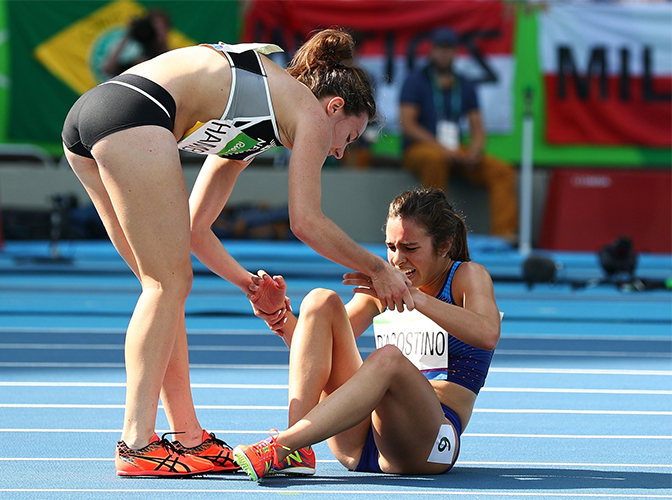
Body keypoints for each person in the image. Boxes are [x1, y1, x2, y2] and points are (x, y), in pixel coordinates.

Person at [61, 28, 414, 477]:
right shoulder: (307, 110)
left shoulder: (257, 121)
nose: (341, 151)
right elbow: (306, 221)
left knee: (164, 293)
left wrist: (249, 284)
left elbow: (195, 227)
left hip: (93, 116)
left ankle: (188, 438)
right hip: (134, 112)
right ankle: (136, 443)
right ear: (335, 107)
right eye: (351, 134)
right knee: (166, 285)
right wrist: (377, 268)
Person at [234, 187, 501, 481]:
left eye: (410, 249)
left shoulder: (467, 276)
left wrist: (415, 298)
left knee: (389, 359)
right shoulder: (381, 289)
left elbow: (487, 333)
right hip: (360, 440)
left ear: (444, 245)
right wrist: (279, 317)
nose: (397, 260)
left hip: (429, 443)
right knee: (320, 301)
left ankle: (283, 444)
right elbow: (317, 348)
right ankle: (298, 449)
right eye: (391, 247)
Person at [399, 27, 518, 242]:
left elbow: (477, 127)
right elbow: (408, 125)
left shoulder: (464, 83)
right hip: (422, 150)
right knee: (435, 160)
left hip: (455, 149)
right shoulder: (416, 80)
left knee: (502, 171)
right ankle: (437, 233)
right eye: (440, 49)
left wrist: (475, 149)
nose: (445, 54)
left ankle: (504, 235)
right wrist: (442, 149)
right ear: (431, 51)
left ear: (456, 52)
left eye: (449, 49)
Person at [102, 9, 171, 78]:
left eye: (160, 28)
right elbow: (109, 69)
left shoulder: (170, 59)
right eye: (153, 28)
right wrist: (128, 34)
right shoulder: (135, 57)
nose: (156, 32)